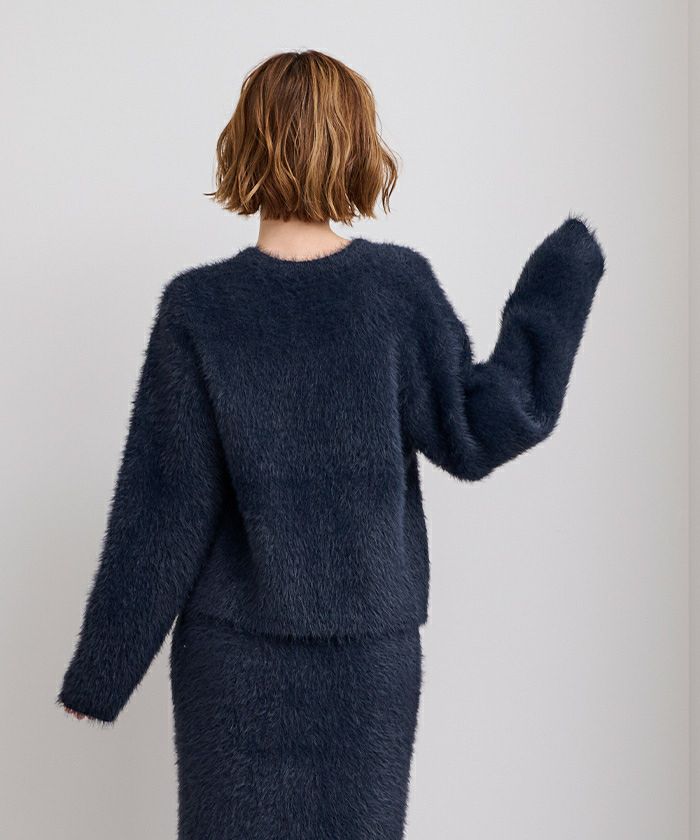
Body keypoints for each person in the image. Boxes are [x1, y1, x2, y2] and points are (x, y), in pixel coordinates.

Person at [58, 49, 605, 840]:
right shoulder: (396, 290)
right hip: (367, 663)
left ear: (243, 143)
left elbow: (162, 508)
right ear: (357, 147)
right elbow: (478, 431)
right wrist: (559, 291)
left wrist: (100, 674)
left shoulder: (199, 306)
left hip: (231, 666)